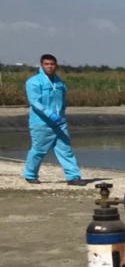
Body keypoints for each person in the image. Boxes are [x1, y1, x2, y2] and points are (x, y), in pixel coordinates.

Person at [24, 54, 84, 185]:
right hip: (41, 123)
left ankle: (73, 177)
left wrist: (62, 114)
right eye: (47, 64)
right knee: (39, 150)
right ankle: (30, 174)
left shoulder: (59, 82)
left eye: (52, 64)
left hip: (59, 123)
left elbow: (62, 100)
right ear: (41, 65)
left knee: (65, 150)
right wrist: (49, 113)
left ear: (56, 65)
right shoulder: (33, 81)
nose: (50, 66)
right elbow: (34, 101)